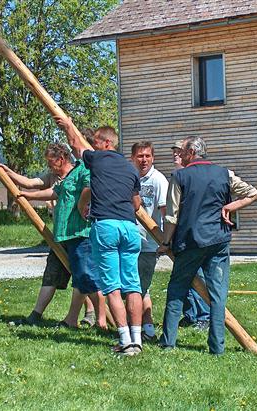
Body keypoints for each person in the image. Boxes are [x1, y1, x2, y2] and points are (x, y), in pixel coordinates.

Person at [158, 136, 257, 355]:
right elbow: (252, 193)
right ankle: (217, 347)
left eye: (182, 152)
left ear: (191, 153)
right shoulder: (224, 173)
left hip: (190, 241)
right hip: (219, 241)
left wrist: (165, 242)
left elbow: (172, 216)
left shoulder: (179, 176)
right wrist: (230, 207)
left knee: (177, 290)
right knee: (218, 295)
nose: (180, 156)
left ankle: (168, 342)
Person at [56, 116, 143, 356]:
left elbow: (76, 144)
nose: (92, 146)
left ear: (106, 143)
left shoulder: (98, 159)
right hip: (130, 228)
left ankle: (125, 341)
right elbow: (136, 204)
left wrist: (68, 125)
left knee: (112, 287)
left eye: (95, 142)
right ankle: (137, 340)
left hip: (106, 226)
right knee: (132, 286)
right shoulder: (130, 167)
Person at [0, 143, 105, 328]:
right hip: (62, 236)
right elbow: (52, 191)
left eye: (50, 162)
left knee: (85, 277)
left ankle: (99, 319)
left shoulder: (82, 170)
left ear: (61, 159)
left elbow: (88, 190)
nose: (49, 166)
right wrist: (26, 192)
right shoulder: (63, 177)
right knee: (54, 274)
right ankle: (36, 315)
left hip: (79, 233)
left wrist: (81, 206)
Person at [130, 141, 168, 341]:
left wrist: (165, 240)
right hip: (129, 241)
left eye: (147, 156)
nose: (143, 160)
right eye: (140, 156)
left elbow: (166, 212)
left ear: (153, 158)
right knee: (136, 288)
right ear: (132, 158)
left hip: (148, 243)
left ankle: (143, 330)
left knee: (139, 288)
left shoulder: (158, 180)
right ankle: (146, 327)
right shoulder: (130, 177)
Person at [171, 140, 211, 330]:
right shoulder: (177, 175)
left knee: (197, 275)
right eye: (174, 151)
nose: (176, 155)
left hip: (194, 235)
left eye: (179, 151)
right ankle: (190, 314)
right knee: (184, 278)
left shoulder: (189, 175)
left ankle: (204, 315)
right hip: (180, 234)